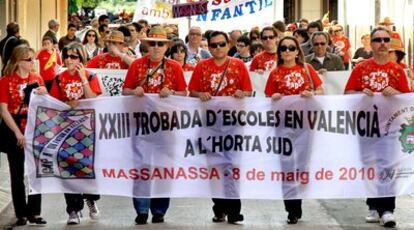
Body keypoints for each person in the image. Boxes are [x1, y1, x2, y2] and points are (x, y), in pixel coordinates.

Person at [345, 27, 411, 228]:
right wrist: (360, 93)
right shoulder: (361, 68)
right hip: (366, 126)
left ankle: (387, 209)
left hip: (391, 127)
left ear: (389, 44)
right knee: (369, 166)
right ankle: (372, 204)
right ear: (371, 44)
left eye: (385, 39)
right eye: (377, 40)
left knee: (388, 167)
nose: (382, 43)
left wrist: (397, 92)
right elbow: (347, 94)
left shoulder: (398, 70)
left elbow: (407, 100)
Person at [122, 26, 187, 225]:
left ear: (167, 46)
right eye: (152, 43)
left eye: (160, 44)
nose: (156, 47)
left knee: (163, 168)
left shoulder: (175, 67)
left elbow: (184, 94)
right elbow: (125, 90)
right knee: (142, 167)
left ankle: (159, 210)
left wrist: (171, 93)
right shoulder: (136, 65)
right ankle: (141, 209)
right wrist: (135, 91)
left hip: (166, 126)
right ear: (147, 46)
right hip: (140, 124)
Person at [188, 30, 252, 224]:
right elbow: (192, 91)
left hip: (233, 123)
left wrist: (242, 94)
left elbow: (249, 91)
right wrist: (200, 95)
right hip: (209, 123)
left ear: (228, 45)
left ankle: (234, 211)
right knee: (214, 166)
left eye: (221, 44)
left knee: (231, 166)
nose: (217, 48)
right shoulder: (202, 66)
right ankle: (219, 208)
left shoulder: (238, 65)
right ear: (209, 47)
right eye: (213, 45)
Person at [264, 36, 323, 224]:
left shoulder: (307, 69)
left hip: (305, 124)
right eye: (283, 48)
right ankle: (292, 208)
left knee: (302, 166)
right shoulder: (275, 73)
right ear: (279, 52)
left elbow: (321, 90)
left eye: (291, 47)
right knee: (287, 166)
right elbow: (266, 99)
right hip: (283, 126)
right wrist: (273, 97)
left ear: (298, 51)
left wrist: (312, 94)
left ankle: (298, 200)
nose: (287, 51)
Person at [49, 42, 102, 225]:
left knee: (87, 169)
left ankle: (91, 199)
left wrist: (82, 78)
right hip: (66, 131)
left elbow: (93, 99)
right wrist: (66, 106)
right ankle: (73, 209)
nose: (70, 60)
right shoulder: (58, 78)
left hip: (87, 130)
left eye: (74, 56)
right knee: (68, 170)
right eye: (67, 56)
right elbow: (53, 106)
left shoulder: (91, 76)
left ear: (81, 58)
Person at [0, 46, 48, 226]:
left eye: (33, 59)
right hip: (14, 128)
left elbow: (46, 105)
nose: (32, 62)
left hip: (35, 129)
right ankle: (20, 212)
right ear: (19, 61)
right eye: (29, 59)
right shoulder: (5, 81)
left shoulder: (36, 78)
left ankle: (35, 212)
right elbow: (4, 110)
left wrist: (45, 92)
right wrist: (17, 133)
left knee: (36, 172)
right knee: (16, 172)